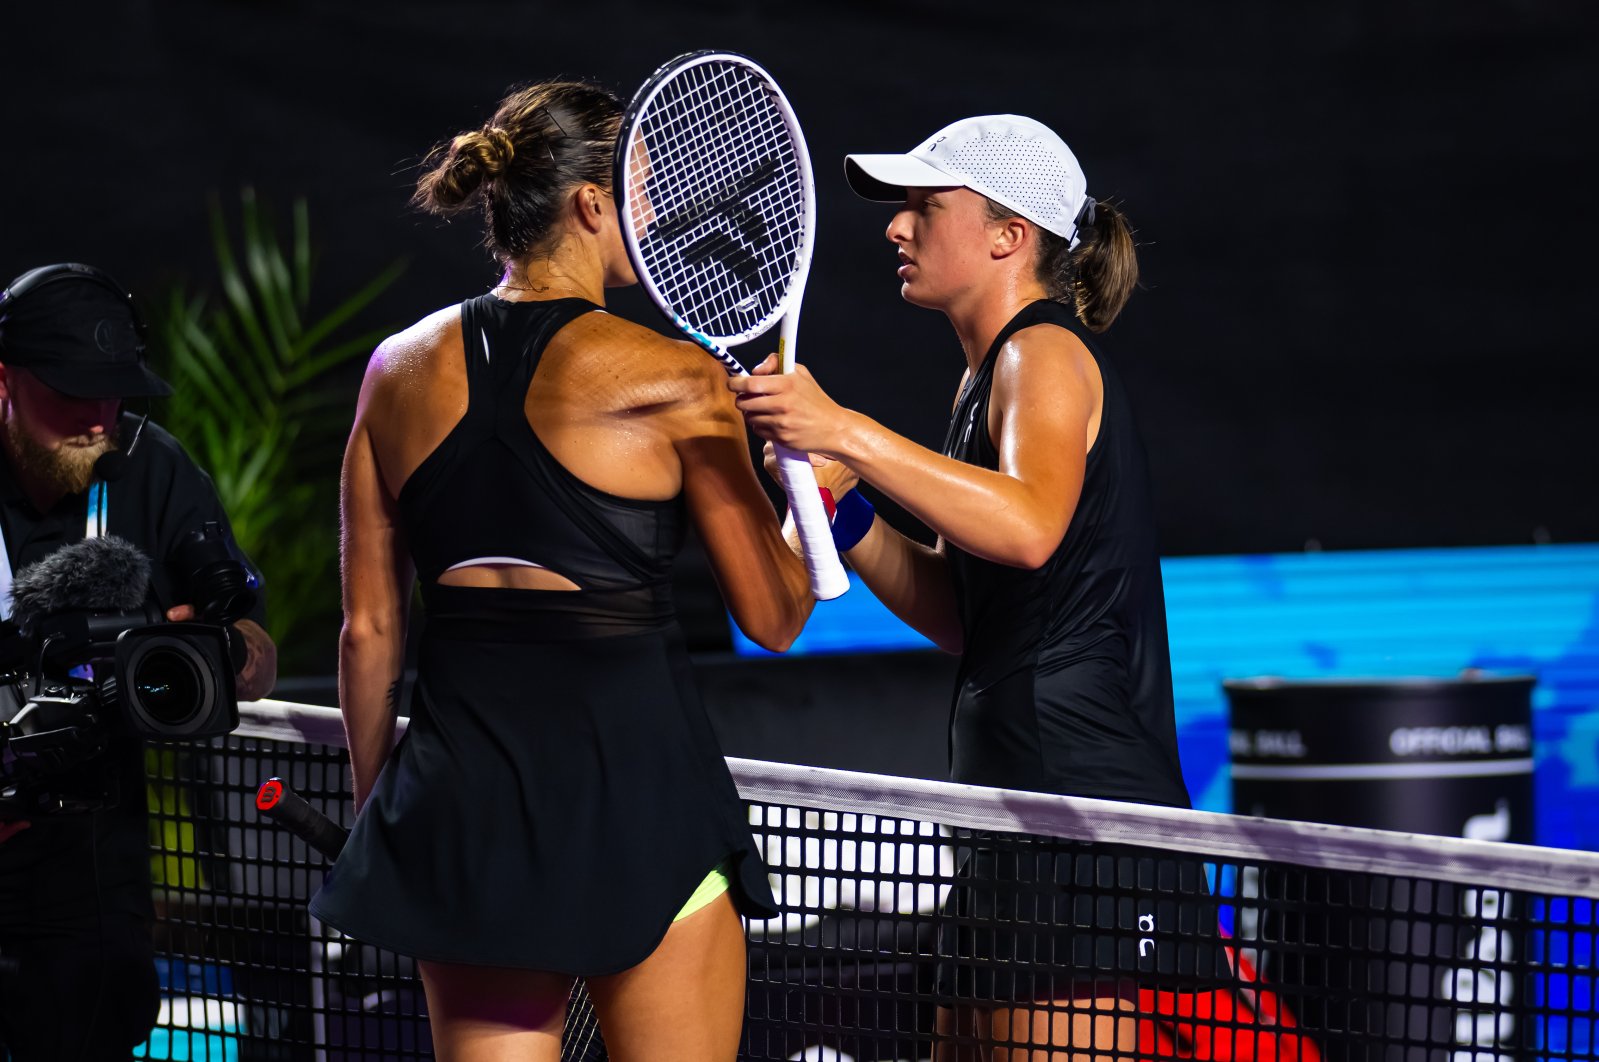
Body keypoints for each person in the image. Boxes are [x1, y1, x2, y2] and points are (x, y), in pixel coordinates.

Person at [309, 80, 814, 1062]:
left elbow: (369, 631)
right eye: (646, 191)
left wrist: (387, 818)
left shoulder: (394, 370)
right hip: (644, 817)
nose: (657, 216)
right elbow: (777, 614)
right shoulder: (677, 378)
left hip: (463, 821)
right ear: (592, 204)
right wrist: (811, 492)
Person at [729, 115, 1203, 1060]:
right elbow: (965, 615)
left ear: (1007, 235)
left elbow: (1029, 528)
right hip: (1004, 797)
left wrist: (848, 432)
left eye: (922, 205)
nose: (896, 228)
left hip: (1081, 808)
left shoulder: (1043, 353)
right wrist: (848, 510)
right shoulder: (979, 381)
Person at [0, 262, 278, 1060]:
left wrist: (219, 651)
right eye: (70, 392)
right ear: (4, 379)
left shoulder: (151, 464)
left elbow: (255, 651)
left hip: (88, 863)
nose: (97, 417)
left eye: (113, 391)